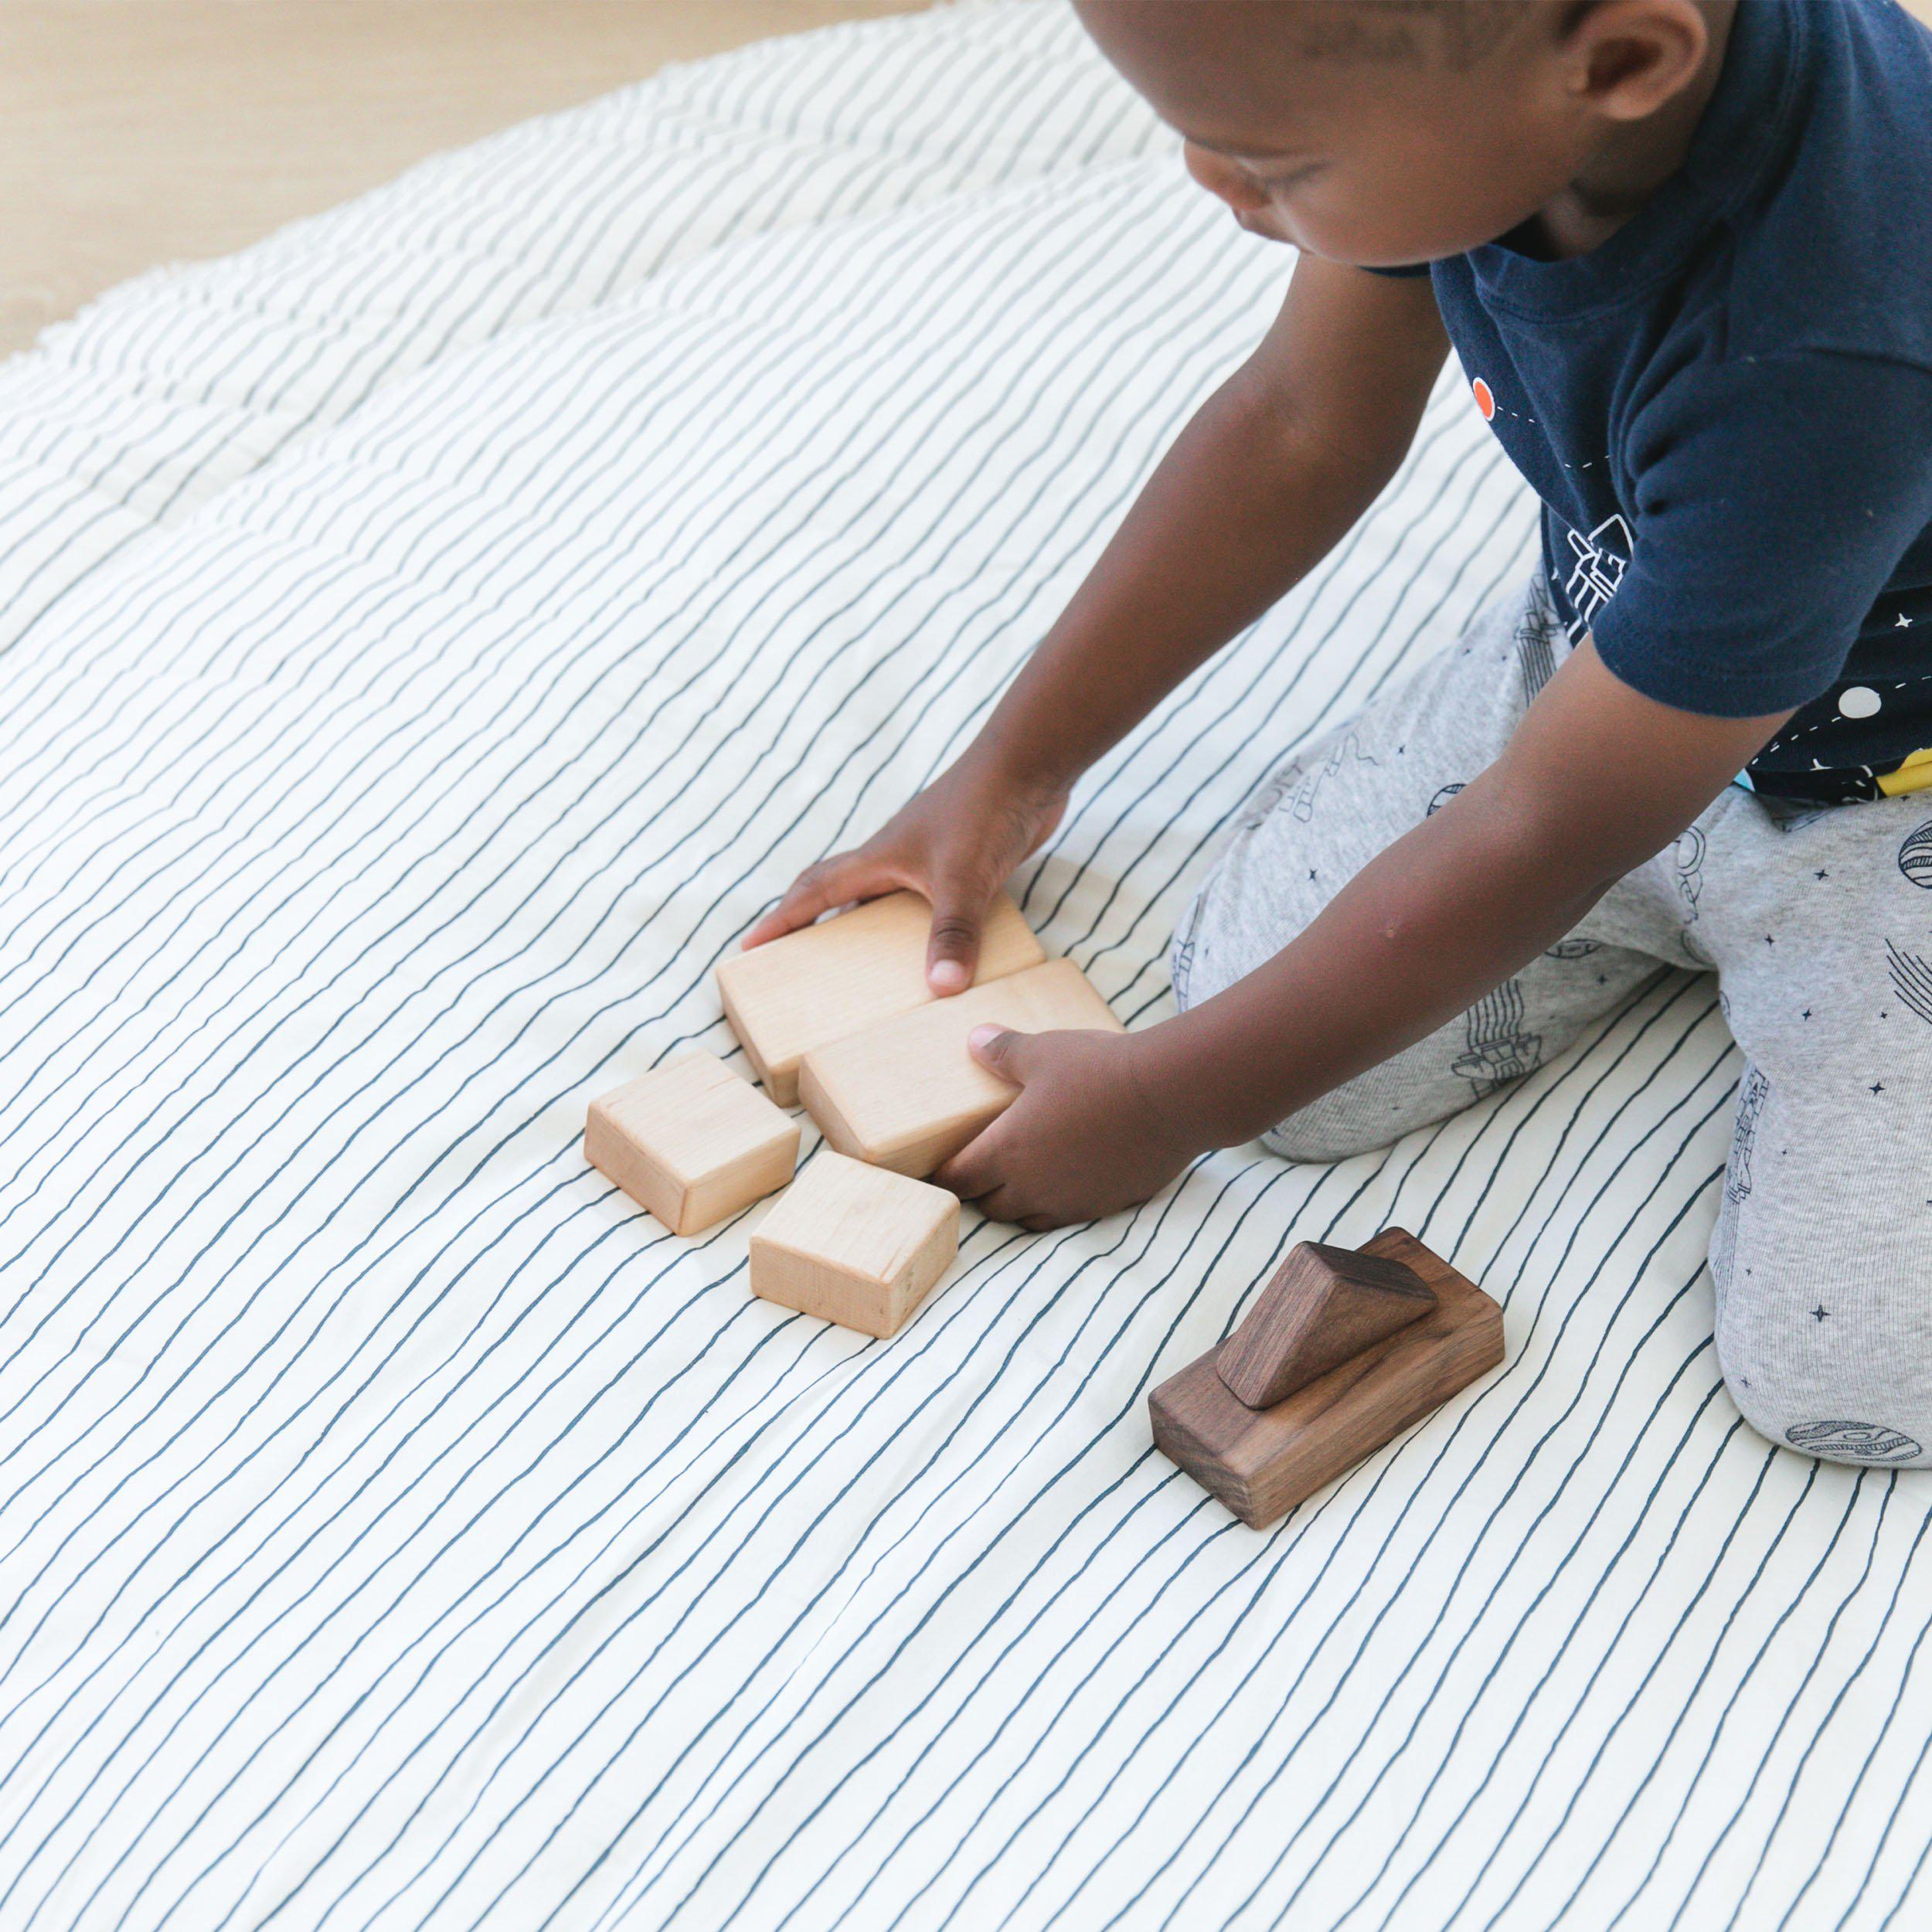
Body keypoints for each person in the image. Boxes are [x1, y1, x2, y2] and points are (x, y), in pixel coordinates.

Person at [740, 0, 1932, 1466]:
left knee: (1858, 1374)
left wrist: (1170, 1105)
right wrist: (1012, 770)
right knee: (1257, 1017)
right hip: (1616, 668)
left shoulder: (1835, 345)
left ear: (1623, 62)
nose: (1206, 180)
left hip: (1888, 816)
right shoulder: (1508, 116)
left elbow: (1543, 833)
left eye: (1274, 164)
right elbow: (1301, 421)